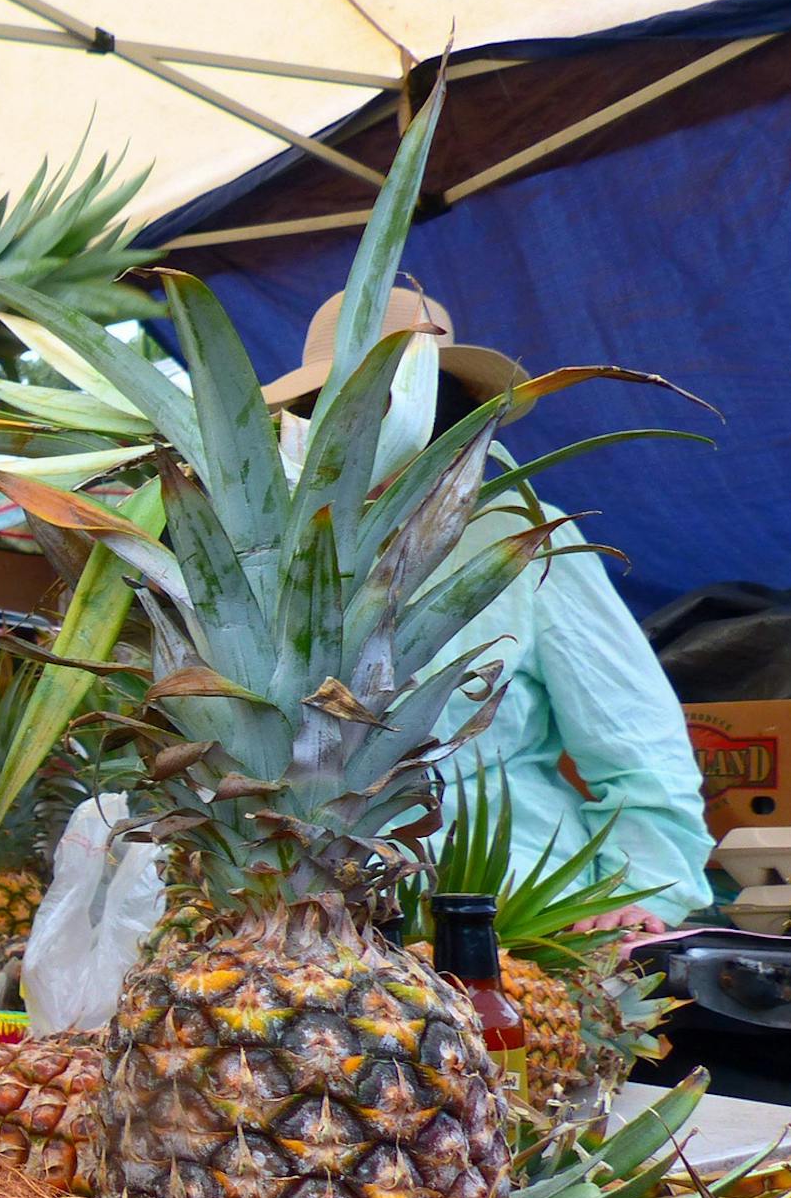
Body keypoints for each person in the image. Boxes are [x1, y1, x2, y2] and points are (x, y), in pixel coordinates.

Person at [266, 287, 715, 932]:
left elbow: (640, 751)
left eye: (406, 408)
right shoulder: (271, 556)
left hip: (514, 916)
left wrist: (633, 901)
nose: (382, 435)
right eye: (355, 415)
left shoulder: (525, 537)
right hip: (300, 928)